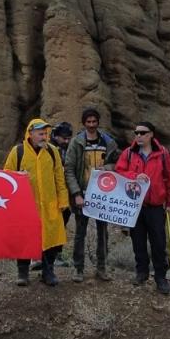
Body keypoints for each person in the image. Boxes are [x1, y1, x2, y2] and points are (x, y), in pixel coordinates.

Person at [114, 121, 170, 295]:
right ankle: (141, 272)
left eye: (143, 133)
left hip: (156, 206)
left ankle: (160, 277)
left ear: (151, 135)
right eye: (136, 133)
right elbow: (119, 172)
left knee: (158, 242)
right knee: (138, 241)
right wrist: (134, 176)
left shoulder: (162, 154)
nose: (139, 136)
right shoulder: (129, 153)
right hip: (135, 206)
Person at [4, 117, 68, 287]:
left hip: (50, 204)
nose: (44, 137)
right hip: (25, 205)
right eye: (41, 134)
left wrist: (63, 200)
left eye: (46, 133)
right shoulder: (18, 152)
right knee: (24, 237)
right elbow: (6, 177)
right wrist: (18, 177)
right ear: (30, 134)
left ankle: (48, 271)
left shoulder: (53, 152)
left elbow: (59, 178)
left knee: (52, 238)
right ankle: (23, 272)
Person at [63, 107, 120, 282]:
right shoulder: (77, 142)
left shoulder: (108, 142)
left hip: (103, 195)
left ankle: (101, 269)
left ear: (98, 122)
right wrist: (76, 194)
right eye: (88, 122)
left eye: (94, 121)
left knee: (103, 232)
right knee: (80, 232)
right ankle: (78, 269)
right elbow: (69, 169)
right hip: (83, 194)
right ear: (84, 123)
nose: (91, 125)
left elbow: (118, 164)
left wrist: (108, 168)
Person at [51, 122, 75, 228]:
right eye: (64, 138)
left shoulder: (70, 148)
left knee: (64, 218)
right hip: (51, 191)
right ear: (56, 136)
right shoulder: (48, 148)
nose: (67, 141)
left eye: (69, 138)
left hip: (65, 191)